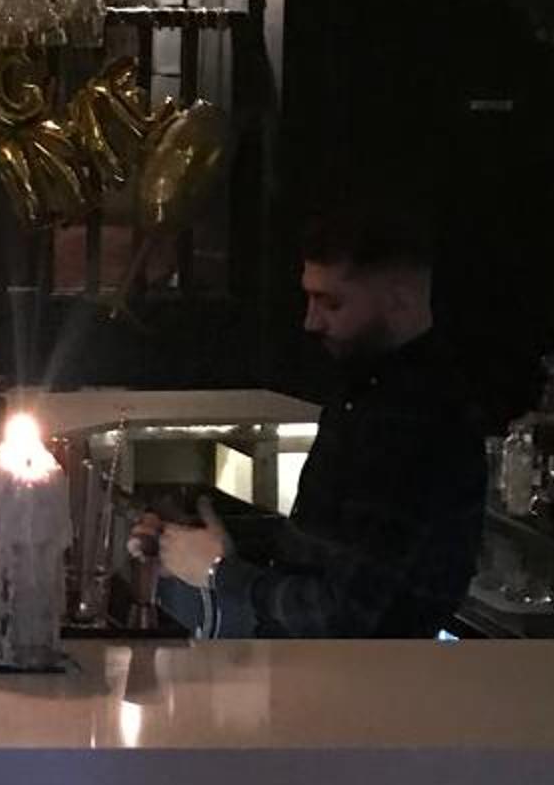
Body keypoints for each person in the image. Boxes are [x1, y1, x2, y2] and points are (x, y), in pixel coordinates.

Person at [156, 200, 487, 639]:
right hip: (324, 672)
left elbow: (345, 616)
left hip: (364, 680)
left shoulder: (417, 419)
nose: (310, 321)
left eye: (330, 303)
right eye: (309, 298)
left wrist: (219, 570)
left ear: (400, 300)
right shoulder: (366, 390)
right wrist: (195, 538)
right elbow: (324, 549)